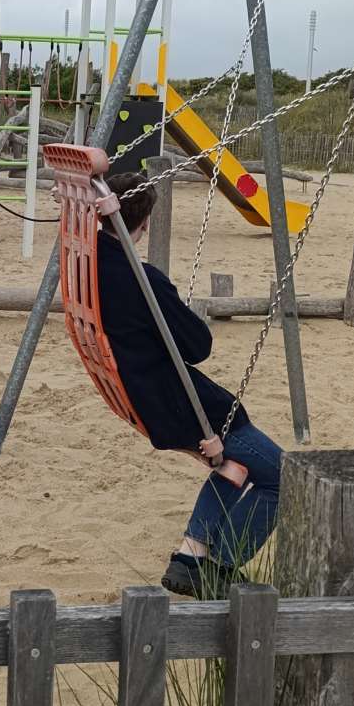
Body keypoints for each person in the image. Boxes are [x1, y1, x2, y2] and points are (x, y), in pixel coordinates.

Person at [96, 171, 282, 599]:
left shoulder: (87, 262)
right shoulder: (140, 279)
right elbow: (198, 346)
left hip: (140, 394)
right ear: (141, 226)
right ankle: (220, 566)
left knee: (236, 468)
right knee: (279, 475)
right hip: (179, 405)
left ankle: (188, 557)